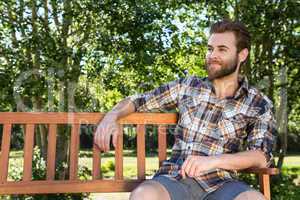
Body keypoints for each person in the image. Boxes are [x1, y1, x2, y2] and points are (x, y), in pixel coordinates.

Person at [94, 19, 276, 200]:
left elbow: (261, 156)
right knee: (144, 195)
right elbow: (139, 100)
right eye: (210, 49)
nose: (212, 55)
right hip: (175, 177)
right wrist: (112, 116)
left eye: (222, 49)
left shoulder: (258, 103)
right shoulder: (188, 87)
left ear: (242, 54)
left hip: (222, 183)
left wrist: (213, 161)